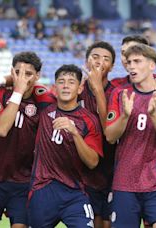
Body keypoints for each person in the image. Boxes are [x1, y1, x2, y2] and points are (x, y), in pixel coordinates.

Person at [105, 44, 156, 228]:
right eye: (129, 62)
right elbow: (110, 136)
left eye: (137, 61)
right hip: (124, 185)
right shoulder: (120, 94)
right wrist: (125, 116)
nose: (131, 66)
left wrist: (155, 114)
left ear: (152, 65)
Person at [29, 64, 103, 227]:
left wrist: (75, 133)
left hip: (75, 192)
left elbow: (92, 162)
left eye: (71, 82)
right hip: (43, 189)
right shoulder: (44, 107)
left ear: (80, 88)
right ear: (55, 87)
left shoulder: (89, 120)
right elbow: (25, 80)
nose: (65, 85)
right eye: (61, 81)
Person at [0, 52, 54, 228]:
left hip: (24, 182)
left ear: (38, 76)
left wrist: (2, 80)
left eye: (29, 74)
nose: (23, 79)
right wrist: (3, 83)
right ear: (11, 72)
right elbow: (1, 129)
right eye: (18, 73)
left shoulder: (43, 99)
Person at [79, 41, 116, 228]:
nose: (100, 62)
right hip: (85, 174)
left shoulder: (117, 93)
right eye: (95, 57)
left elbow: (108, 129)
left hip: (113, 172)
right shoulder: (75, 91)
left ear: (112, 66)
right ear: (86, 62)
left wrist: (98, 89)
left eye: (106, 59)